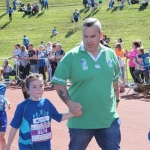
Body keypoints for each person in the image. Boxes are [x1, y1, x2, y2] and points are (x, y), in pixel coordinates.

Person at [52, 18, 121, 150]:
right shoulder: (71, 56)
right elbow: (58, 82)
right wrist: (70, 104)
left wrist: (117, 99)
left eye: (93, 36)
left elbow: (115, 82)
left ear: (101, 35)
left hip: (108, 120)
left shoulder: (110, 55)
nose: (89, 40)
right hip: (80, 121)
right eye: (85, 36)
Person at [5, 73, 76, 150]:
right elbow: (14, 127)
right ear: (27, 89)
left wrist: (74, 113)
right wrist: (8, 146)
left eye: (41, 86)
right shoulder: (22, 106)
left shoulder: (46, 102)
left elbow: (59, 117)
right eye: (34, 87)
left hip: (44, 146)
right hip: (27, 145)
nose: (39, 89)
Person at [0, 82, 11, 150]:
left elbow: (2, 96)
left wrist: (7, 102)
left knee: (2, 137)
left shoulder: (3, 86)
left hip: (2, 114)